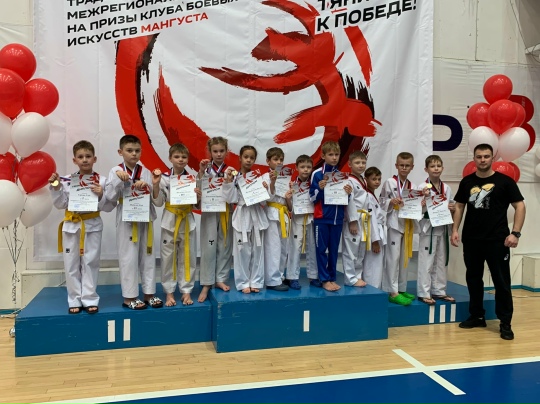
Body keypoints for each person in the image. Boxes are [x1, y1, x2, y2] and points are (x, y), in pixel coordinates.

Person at [451, 143, 525, 340]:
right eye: (479, 156)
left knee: (502, 282)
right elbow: (459, 206)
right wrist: (455, 230)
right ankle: (477, 316)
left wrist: (515, 233)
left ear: (492, 158)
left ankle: (505, 323)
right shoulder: (467, 182)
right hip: (472, 240)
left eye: (486, 156)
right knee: (473, 279)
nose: (482, 160)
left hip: (498, 241)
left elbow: (520, 206)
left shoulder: (505, 182)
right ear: (474, 159)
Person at [50, 140, 116, 314]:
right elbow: (60, 204)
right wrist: (56, 187)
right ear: (74, 160)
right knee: (71, 263)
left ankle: (90, 298)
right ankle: (74, 299)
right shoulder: (66, 180)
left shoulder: (102, 181)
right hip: (71, 225)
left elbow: (109, 207)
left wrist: (101, 195)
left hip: (92, 225)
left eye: (88, 156)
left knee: (91, 262)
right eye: (80, 157)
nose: (85, 159)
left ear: (94, 159)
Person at [105, 134, 162, 310]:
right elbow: (110, 197)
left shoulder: (145, 171)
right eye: (129, 150)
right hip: (127, 220)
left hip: (145, 217)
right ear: (120, 152)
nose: (133, 154)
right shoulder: (115, 171)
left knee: (148, 256)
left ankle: (149, 294)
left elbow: (156, 200)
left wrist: (150, 185)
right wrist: (118, 180)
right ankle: (129, 297)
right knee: (128, 258)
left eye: (137, 150)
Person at [153, 143, 201, 306]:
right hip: (170, 220)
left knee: (188, 256)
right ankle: (169, 292)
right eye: (177, 156)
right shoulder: (164, 178)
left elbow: (196, 206)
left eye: (184, 157)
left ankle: (186, 291)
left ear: (188, 159)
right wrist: (155, 185)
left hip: (187, 220)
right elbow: (158, 202)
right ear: (170, 158)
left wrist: (198, 197)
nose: (180, 160)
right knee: (168, 258)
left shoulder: (192, 179)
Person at [222, 145, 270, 293]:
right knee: (242, 250)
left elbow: (264, 202)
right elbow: (230, 199)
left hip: (256, 213)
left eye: (252, 158)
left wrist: (264, 189)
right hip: (241, 214)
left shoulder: (258, 178)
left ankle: (256, 281)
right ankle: (243, 283)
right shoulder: (234, 177)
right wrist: (228, 183)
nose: (248, 160)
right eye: (246, 157)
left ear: (255, 160)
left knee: (257, 249)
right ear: (240, 158)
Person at [309, 141, 352, 292]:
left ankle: (332, 277)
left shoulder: (342, 175)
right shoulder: (317, 174)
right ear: (323, 156)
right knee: (321, 249)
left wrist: (348, 193)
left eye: (337, 154)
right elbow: (312, 198)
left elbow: (345, 200)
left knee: (334, 250)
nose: (334, 157)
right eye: (331, 154)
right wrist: (320, 189)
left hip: (337, 218)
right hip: (322, 218)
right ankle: (324, 279)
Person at [196, 137, 233, 303]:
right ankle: (206, 282)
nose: (218, 154)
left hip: (226, 210)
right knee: (208, 246)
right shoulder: (205, 170)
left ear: (226, 152)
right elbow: (197, 189)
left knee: (225, 245)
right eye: (215, 151)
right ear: (210, 152)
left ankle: (220, 278)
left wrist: (230, 182)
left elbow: (235, 194)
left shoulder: (230, 171)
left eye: (221, 151)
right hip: (210, 211)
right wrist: (200, 172)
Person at [417, 155, 455, 305]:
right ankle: (424, 292)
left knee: (441, 260)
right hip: (428, 228)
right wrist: (422, 201)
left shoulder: (447, 188)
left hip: (443, 227)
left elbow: (451, 205)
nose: (436, 169)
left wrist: (451, 208)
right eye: (432, 166)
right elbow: (416, 209)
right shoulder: (422, 187)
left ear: (442, 168)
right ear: (426, 169)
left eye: (438, 166)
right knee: (426, 261)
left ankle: (439, 290)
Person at [380, 152, 418, 305]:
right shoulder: (389, 182)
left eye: (407, 165)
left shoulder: (413, 186)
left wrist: (420, 204)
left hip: (407, 223)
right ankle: (392, 291)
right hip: (394, 223)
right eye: (401, 165)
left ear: (412, 167)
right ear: (396, 166)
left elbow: (415, 204)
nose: (404, 168)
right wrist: (391, 201)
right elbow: (381, 200)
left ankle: (401, 288)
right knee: (393, 257)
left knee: (404, 258)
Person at [285, 155, 319, 289]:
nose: (306, 170)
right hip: (297, 218)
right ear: (296, 168)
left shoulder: (314, 185)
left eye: (308, 167)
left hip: (312, 218)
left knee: (313, 246)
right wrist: (288, 199)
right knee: (295, 247)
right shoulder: (291, 185)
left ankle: (313, 276)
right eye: (302, 167)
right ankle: (292, 277)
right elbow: (289, 208)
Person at [263, 147, 290, 291]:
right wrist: (272, 183)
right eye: (275, 159)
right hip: (271, 214)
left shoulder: (286, 177)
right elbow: (267, 198)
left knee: (283, 248)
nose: (279, 162)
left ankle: (280, 276)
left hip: (283, 214)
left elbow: (288, 199)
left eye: (281, 159)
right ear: (268, 161)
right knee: (273, 247)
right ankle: (272, 280)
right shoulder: (264, 177)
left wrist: (290, 194)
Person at [342, 150, 369, 287]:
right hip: (354, 218)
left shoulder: (362, 180)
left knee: (360, 249)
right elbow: (349, 200)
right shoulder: (348, 181)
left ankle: (357, 275)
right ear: (350, 164)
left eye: (363, 162)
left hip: (363, 218)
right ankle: (350, 278)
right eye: (357, 162)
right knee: (351, 249)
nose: (361, 165)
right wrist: (352, 221)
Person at [362, 166, 386, 289]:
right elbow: (370, 219)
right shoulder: (367, 195)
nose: (377, 182)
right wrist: (375, 240)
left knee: (376, 264)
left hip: (377, 232)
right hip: (373, 235)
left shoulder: (372, 195)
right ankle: (372, 289)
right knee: (373, 265)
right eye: (373, 179)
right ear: (366, 180)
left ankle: (375, 288)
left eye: (379, 179)